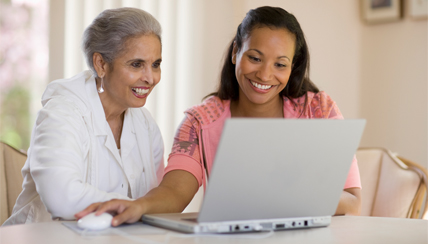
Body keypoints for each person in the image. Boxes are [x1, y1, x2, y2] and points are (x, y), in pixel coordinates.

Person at [76, 6, 362, 227]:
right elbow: (175, 191)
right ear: (236, 52)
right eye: (255, 57)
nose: (264, 75)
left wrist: (285, 196)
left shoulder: (319, 110)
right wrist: (138, 206)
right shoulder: (200, 122)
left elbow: (352, 202)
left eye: (280, 64)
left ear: (293, 67)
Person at [3, 8, 164, 225]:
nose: (151, 78)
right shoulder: (62, 112)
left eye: (156, 65)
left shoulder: (146, 125)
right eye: (136, 64)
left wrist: (144, 207)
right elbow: (62, 196)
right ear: (101, 64)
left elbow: (154, 203)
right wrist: (137, 207)